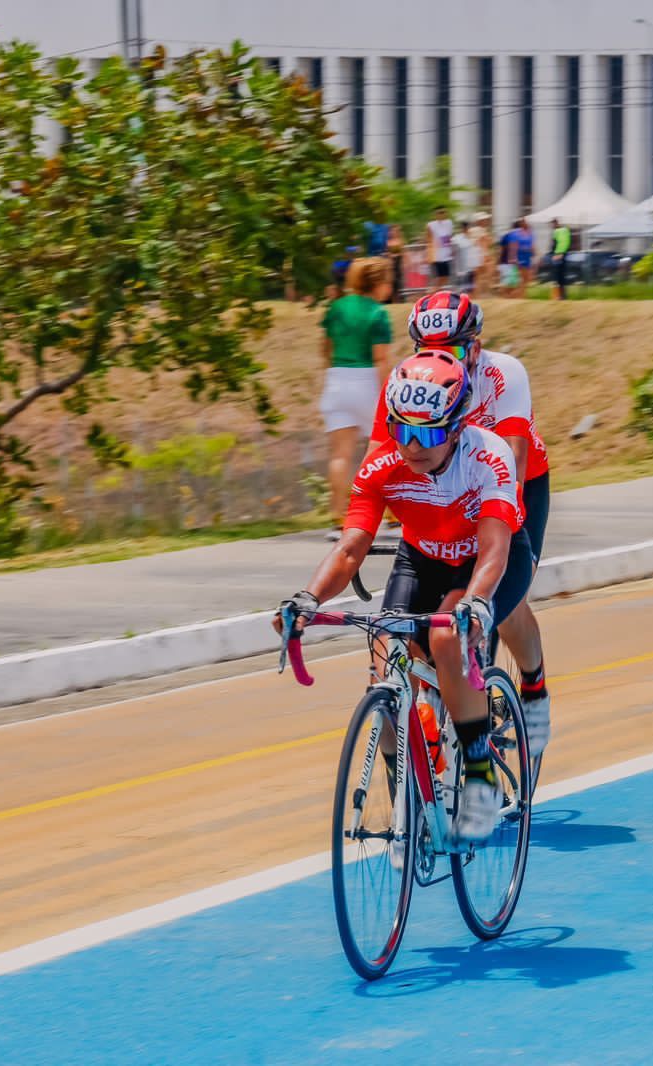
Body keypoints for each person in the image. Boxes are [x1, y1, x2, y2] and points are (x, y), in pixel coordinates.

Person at [277, 351, 532, 840]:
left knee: (444, 640)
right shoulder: (383, 464)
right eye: (402, 430)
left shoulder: (489, 456)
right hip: (423, 558)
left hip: (486, 559)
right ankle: (407, 803)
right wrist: (307, 599)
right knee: (383, 654)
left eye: (429, 433)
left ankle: (478, 771)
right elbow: (352, 547)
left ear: (457, 426)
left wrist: (476, 603)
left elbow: (495, 549)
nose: (413, 446)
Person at [369, 291, 553, 755]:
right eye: (422, 348)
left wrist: (487, 538)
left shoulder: (502, 372)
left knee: (499, 603)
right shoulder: (411, 383)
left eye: (449, 350)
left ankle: (532, 687)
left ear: (474, 345)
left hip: (512, 481)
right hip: (448, 486)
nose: (433, 358)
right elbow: (380, 460)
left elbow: (511, 456)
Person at [319, 258, 395, 534]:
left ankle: (338, 517)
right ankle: (387, 512)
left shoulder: (336, 308)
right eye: (388, 281)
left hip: (337, 380)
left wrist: (334, 371)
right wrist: (387, 393)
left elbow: (325, 347)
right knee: (385, 449)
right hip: (366, 381)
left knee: (340, 454)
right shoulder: (378, 313)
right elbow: (381, 358)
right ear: (377, 283)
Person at [497, 218, 534, 296]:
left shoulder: (507, 235)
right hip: (513, 260)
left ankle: (507, 297)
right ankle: (515, 296)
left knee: (511, 281)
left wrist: (499, 261)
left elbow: (502, 250)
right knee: (516, 281)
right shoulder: (519, 235)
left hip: (507, 261)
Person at [426, 207, 454, 287]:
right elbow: (428, 240)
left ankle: (436, 292)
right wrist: (429, 254)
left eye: (443, 212)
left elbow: (449, 237)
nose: (442, 214)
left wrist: (451, 249)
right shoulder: (431, 225)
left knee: (446, 277)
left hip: (446, 254)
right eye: (439, 213)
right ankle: (433, 293)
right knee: (439, 277)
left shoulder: (449, 223)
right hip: (437, 255)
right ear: (435, 214)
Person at [451, 220, 478, 294]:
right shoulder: (456, 239)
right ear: (462, 228)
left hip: (470, 267)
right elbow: (453, 252)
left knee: (470, 289)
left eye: (468, 227)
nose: (467, 229)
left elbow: (474, 252)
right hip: (461, 268)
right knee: (461, 289)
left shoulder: (473, 238)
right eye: (465, 227)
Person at [550, 218, 571, 300]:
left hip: (557, 255)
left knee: (556, 277)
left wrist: (554, 253)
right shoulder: (566, 230)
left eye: (552, 224)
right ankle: (563, 296)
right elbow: (568, 243)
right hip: (564, 254)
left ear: (555, 224)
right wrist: (564, 253)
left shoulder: (556, 231)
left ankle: (557, 296)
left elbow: (554, 244)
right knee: (563, 276)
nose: (552, 226)